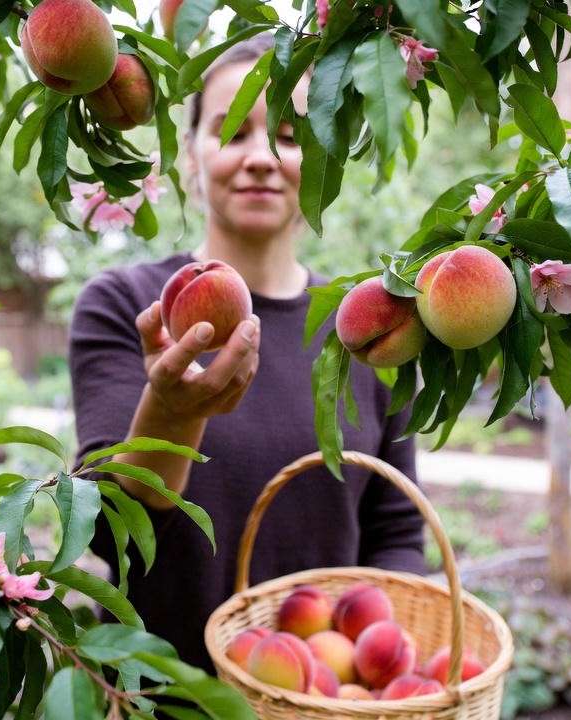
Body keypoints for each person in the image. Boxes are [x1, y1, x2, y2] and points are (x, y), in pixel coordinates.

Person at [69, 34, 426, 674]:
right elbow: (109, 534)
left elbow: (397, 535)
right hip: (166, 700)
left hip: (323, 704)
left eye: (290, 136)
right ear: (189, 157)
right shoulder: (126, 304)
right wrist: (171, 412)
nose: (261, 156)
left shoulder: (368, 326)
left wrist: (362, 672)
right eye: (233, 132)